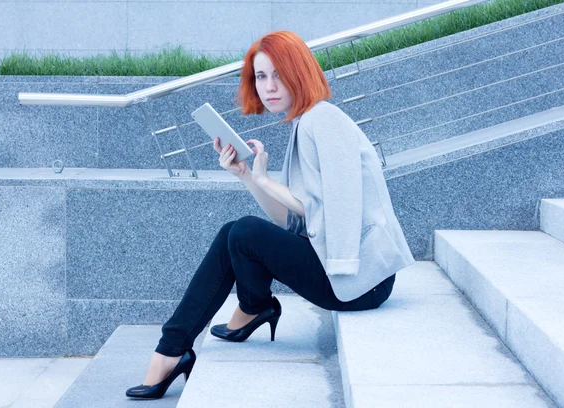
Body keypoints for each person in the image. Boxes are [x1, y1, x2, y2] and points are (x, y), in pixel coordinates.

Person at [125, 30, 415, 400]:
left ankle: (198, 336)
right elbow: (291, 222)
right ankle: (217, 326)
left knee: (243, 231)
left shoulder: (324, 120)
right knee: (237, 231)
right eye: (261, 76)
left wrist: (267, 180)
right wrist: (248, 176)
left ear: (300, 72)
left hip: (363, 279)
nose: (269, 86)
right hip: (343, 267)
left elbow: (337, 208)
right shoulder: (304, 123)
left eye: (279, 73)